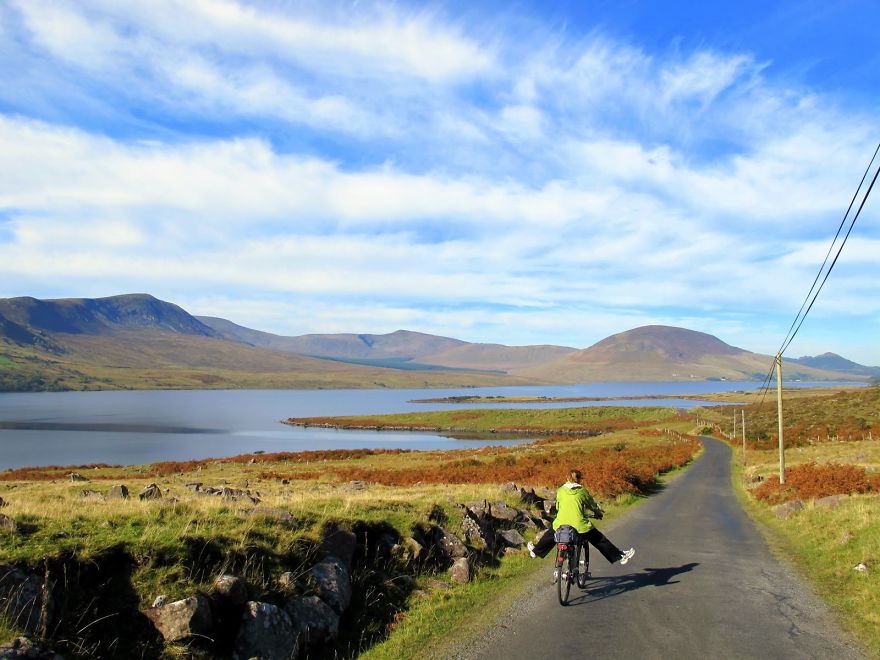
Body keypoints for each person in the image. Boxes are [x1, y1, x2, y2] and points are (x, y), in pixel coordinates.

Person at [527, 469, 635, 565]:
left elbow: (558, 506)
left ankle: (536, 551)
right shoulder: (582, 491)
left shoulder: (560, 490)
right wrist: (598, 513)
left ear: (567, 478)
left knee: (551, 534)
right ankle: (620, 556)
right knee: (599, 540)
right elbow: (591, 505)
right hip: (579, 525)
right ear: (579, 479)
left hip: (561, 523)